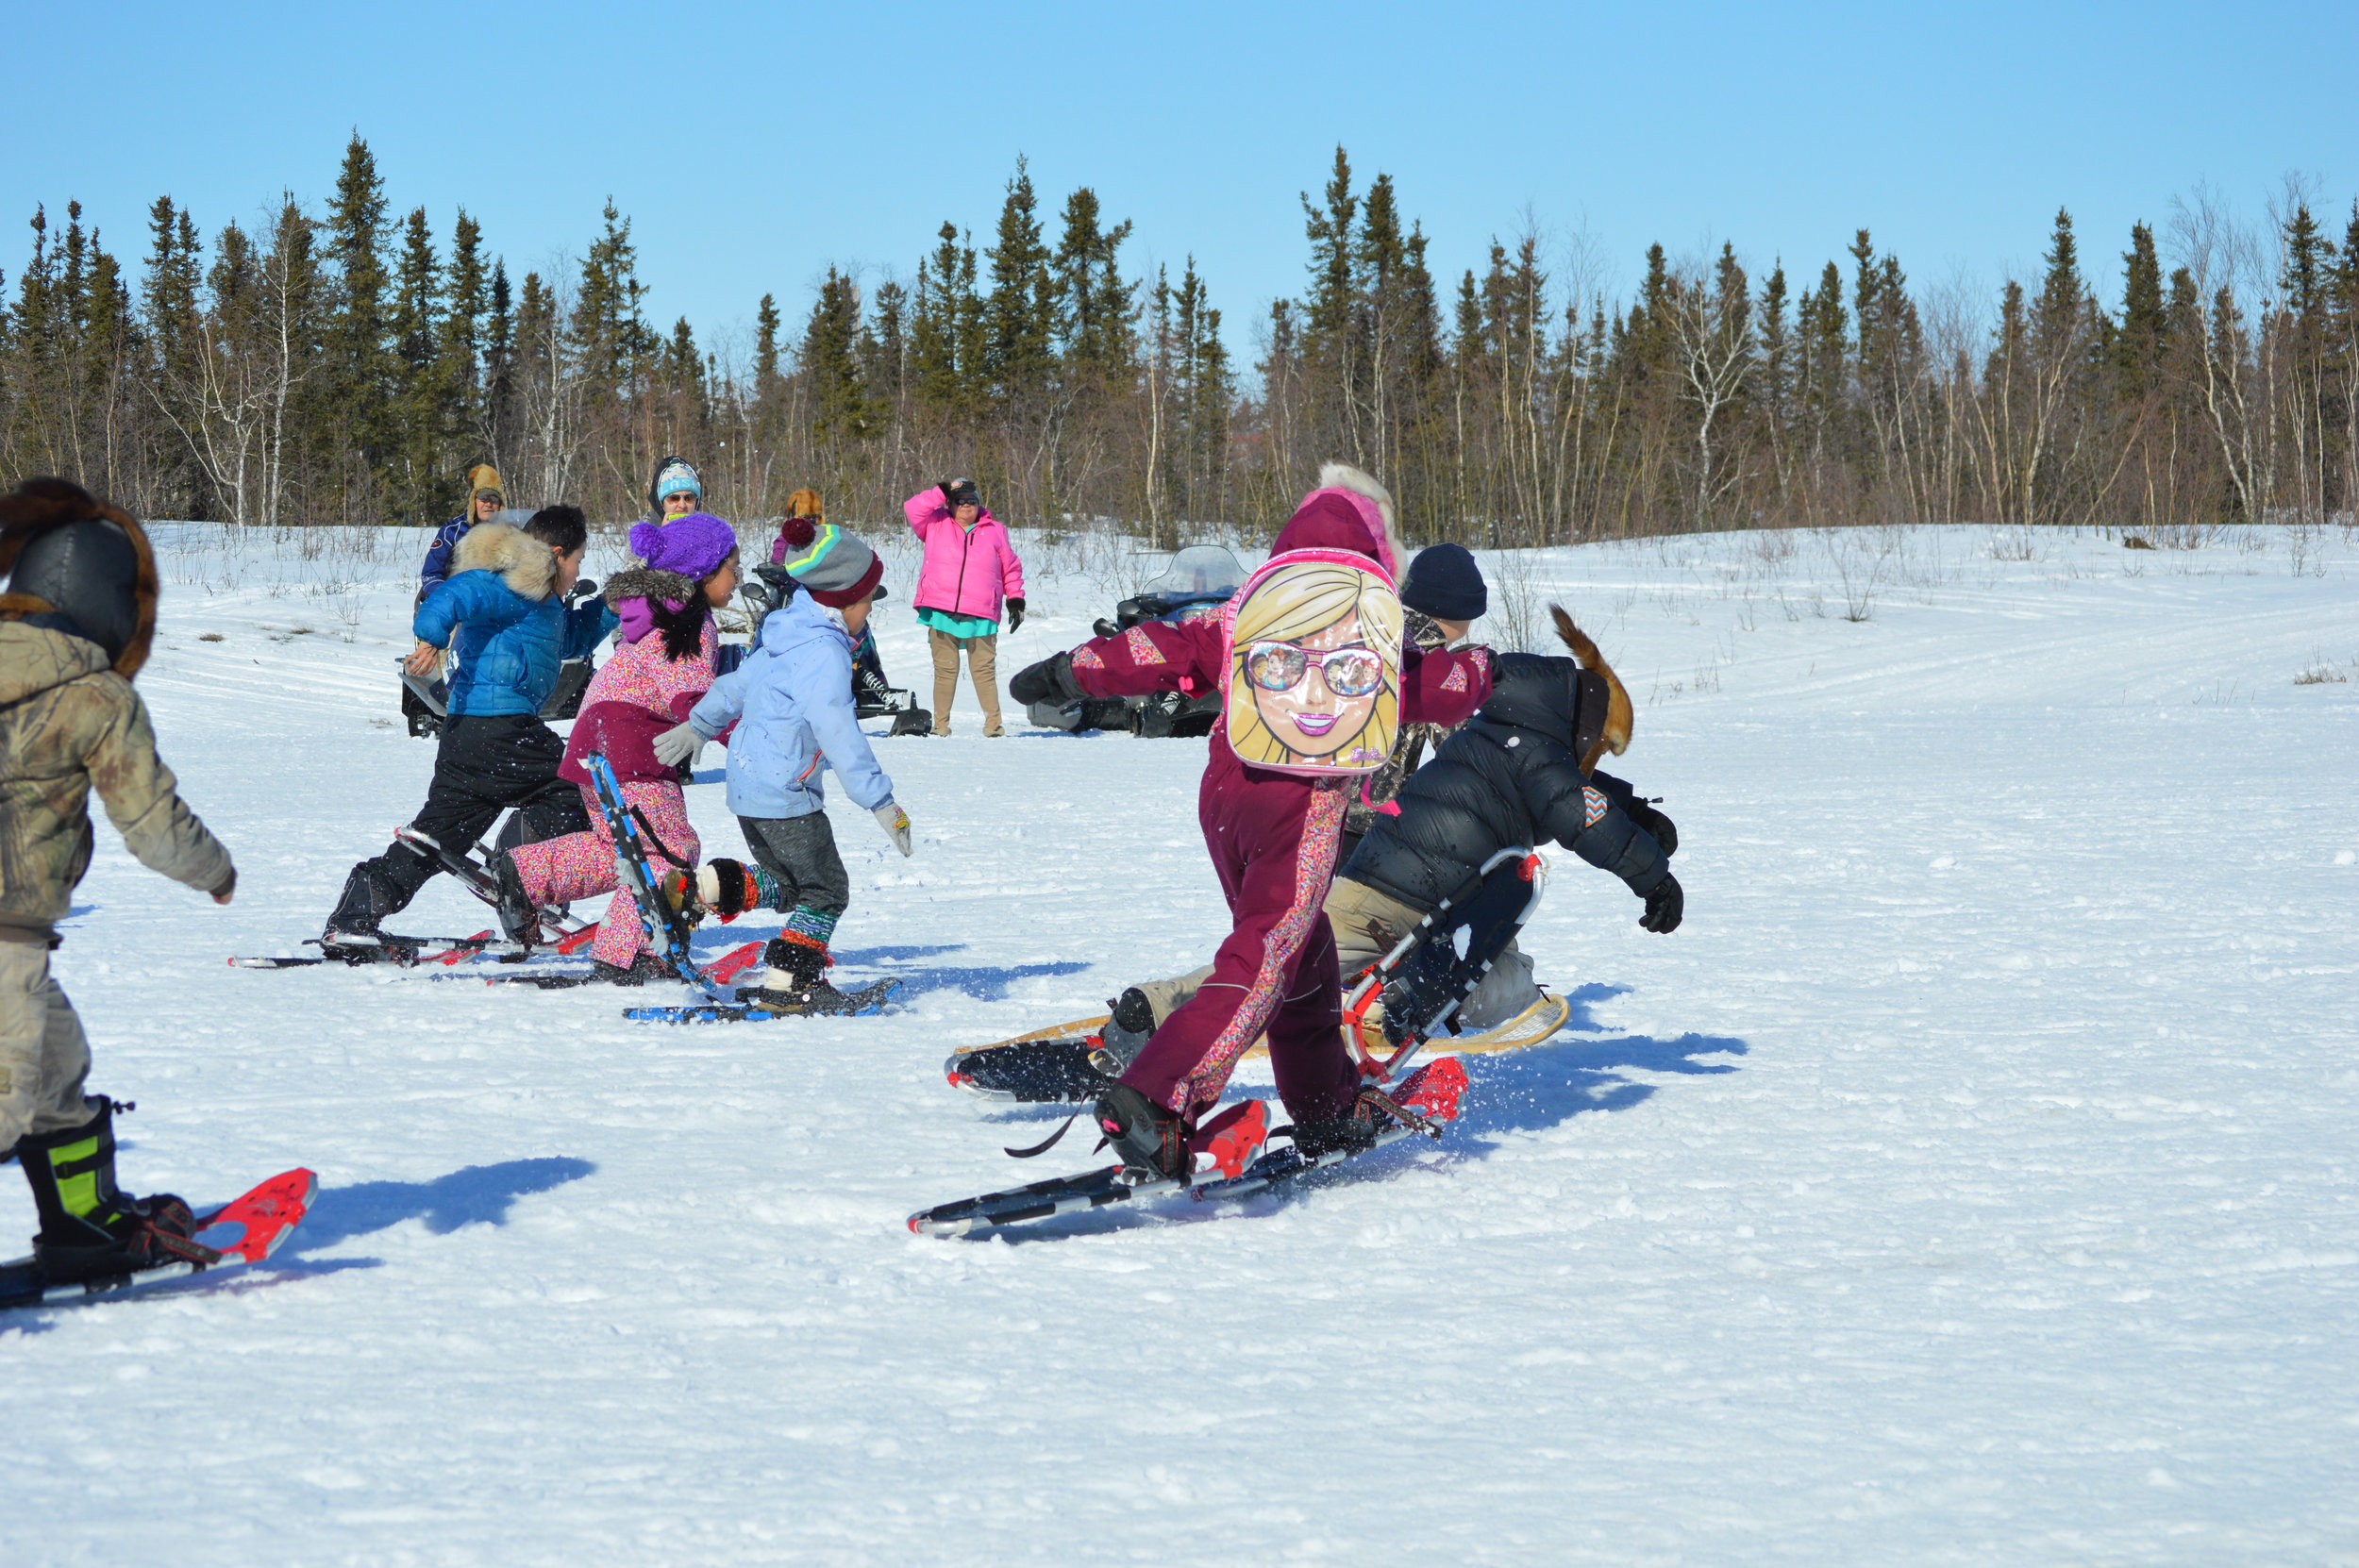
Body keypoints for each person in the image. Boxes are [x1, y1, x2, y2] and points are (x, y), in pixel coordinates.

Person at [1009, 464, 1492, 1176]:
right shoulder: (1368, 633)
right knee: (1264, 959)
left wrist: (1070, 670)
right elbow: (1438, 689)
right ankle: (1156, 1098)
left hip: (1227, 799)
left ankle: (1327, 1108)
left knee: (1304, 956)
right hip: (1302, 811)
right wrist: (1489, 671)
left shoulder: (1243, 615)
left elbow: (1155, 647)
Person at [1098, 540, 1495, 1059]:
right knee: (1314, 944)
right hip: (1366, 823)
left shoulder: (1363, 625)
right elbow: (1461, 749)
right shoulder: (1428, 660)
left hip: (1286, 801)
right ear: (1463, 611)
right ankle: (1231, 1012)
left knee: (1290, 933)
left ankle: (1186, 1002)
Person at [0, 478, 237, 1284]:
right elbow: (152, 822)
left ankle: (83, 1225)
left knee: (56, 1071)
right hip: (3, 940)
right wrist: (215, 871)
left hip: (19, 950)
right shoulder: (94, 695)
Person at [325, 506, 618, 944]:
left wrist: (617, 605)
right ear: (556, 554)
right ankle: (518, 876)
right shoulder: (514, 583)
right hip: (504, 728)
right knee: (580, 790)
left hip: (465, 735)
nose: (577, 574)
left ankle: (353, 919)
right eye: (577, 561)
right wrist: (431, 636)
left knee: (440, 836)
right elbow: (456, 593)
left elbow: (568, 638)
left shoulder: (541, 603)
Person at [665, 516, 914, 1013]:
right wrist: (880, 801)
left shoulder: (784, 634)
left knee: (791, 886)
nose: (869, 615)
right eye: (868, 603)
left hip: (748, 788)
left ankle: (706, 886)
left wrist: (699, 725)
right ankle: (789, 983)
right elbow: (838, 729)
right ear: (843, 600)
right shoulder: (822, 652)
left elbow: (734, 687)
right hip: (786, 793)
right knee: (825, 891)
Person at [492, 513, 739, 983]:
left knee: (619, 846)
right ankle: (626, 951)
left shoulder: (657, 610)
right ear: (704, 573)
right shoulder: (691, 621)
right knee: (670, 849)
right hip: (635, 744)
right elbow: (689, 695)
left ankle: (526, 874)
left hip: (597, 738)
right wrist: (743, 738)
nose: (738, 578)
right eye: (732, 567)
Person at [904, 477, 1025, 736]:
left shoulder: (995, 530)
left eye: (972, 501)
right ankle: (940, 726)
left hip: (981, 611)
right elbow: (913, 508)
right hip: (941, 608)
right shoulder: (934, 524)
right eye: (961, 500)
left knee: (983, 670)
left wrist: (1015, 599)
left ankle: (993, 726)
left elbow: (1010, 568)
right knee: (945, 670)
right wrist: (943, 490)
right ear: (951, 504)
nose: (967, 505)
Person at [420, 464, 506, 591]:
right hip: (458, 597)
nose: (488, 504)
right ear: (473, 501)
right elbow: (431, 573)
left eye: (494, 498)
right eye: (483, 498)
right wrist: (447, 596)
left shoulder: (509, 533)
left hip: (495, 601)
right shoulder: (452, 531)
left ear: (500, 504)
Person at [649, 455, 703, 522]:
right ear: (661, 503)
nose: (682, 506)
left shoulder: (710, 530)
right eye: (674, 498)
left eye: (689, 498)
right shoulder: (642, 531)